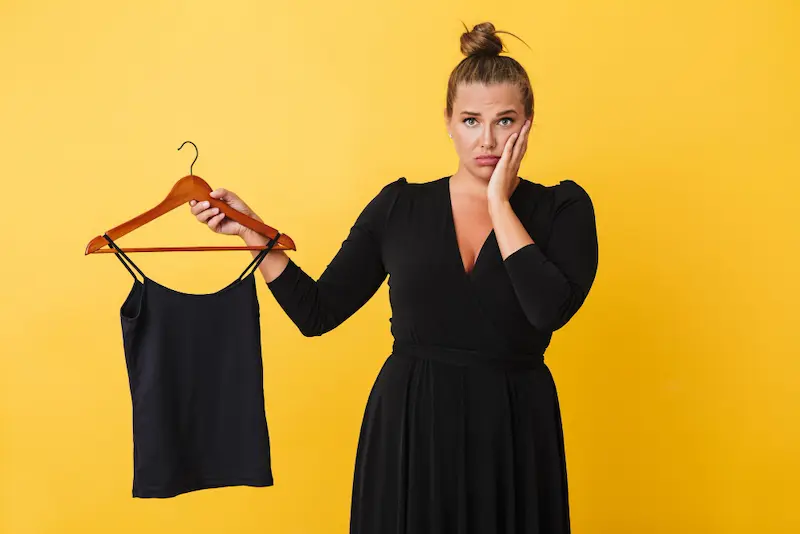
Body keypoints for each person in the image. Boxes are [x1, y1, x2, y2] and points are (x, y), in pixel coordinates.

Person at [189, 21, 598, 534]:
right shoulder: (399, 207)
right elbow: (317, 313)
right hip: (411, 425)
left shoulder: (563, 208)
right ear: (448, 122)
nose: (487, 140)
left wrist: (498, 200)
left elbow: (547, 310)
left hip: (514, 428)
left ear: (528, 124)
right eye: (471, 121)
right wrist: (251, 233)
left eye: (505, 121)